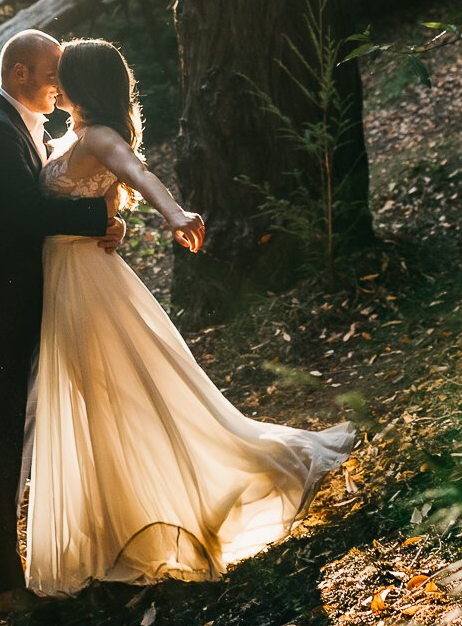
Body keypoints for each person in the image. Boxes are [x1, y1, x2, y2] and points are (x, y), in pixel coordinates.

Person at [25, 37, 358, 597]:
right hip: (64, 282)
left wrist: (174, 212)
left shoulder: (102, 138)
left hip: (87, 286)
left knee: (126, 396)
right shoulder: (70, 136)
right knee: (95, 403)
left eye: (63, 73)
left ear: (82, 85)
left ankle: (220, 487)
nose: (54, 80)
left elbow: (135, 171)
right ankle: (114, 525)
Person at [0, 29, 126, 617]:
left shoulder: (27, 127)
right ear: (21, 73)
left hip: (29, 302)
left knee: (13, 438)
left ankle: (3, 560)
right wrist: (97, 215)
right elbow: (26, 215)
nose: (62, 85)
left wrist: (104, 218)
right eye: (53, 73)